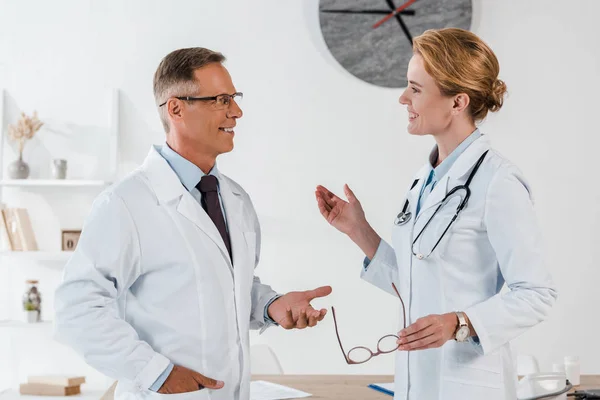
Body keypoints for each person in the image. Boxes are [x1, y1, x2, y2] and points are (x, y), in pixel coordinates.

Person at [54, 47, 332, 400]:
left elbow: (226, 286)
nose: (237, 111)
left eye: (234, 98)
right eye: (221, 99)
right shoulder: (125, 204)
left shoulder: (235, 199)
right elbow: (76, 307)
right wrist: (156, 373)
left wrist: (270, 305)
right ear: (176, 108)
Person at [315, 28, 557, 400]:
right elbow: (418, 281)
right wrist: (358, 230)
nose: (402, 99)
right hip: (417, 381)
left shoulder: (498, 182)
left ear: (457, 102)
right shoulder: (425, 180)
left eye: (415, 89)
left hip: (469, 384)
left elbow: (537, 293)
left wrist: (460, 323)